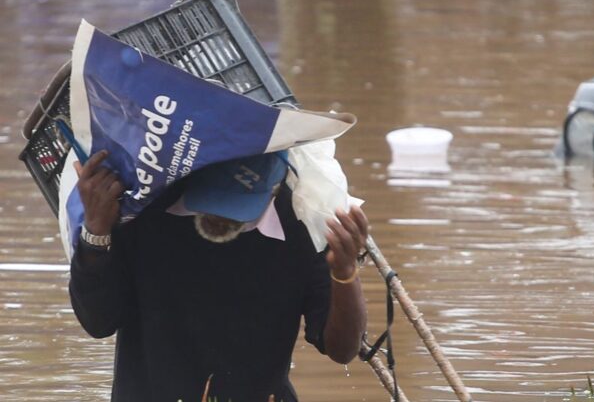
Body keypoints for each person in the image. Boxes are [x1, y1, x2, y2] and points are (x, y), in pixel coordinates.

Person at [68, 149, 370, 401]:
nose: (222, 216)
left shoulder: (303, 223)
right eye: (215, 201)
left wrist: (345, 273)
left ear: (274, 189)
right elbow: (98, 322)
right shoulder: (143, 208)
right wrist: (96, 232)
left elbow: (342, 349)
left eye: (239, 205)